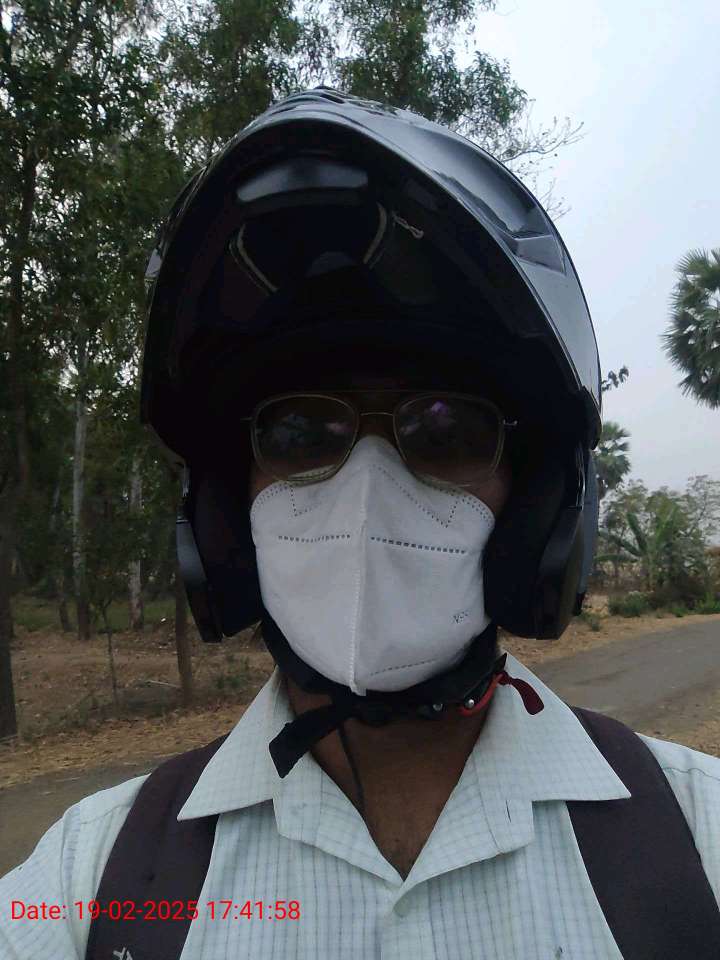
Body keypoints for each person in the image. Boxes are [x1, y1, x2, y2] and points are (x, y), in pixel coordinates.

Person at [2, 86, 720, 960]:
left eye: (445, 433)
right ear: (227, 511)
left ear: (538, 510)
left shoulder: (697, 838)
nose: (367, 490)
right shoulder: (93, 882)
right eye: (301, 433)